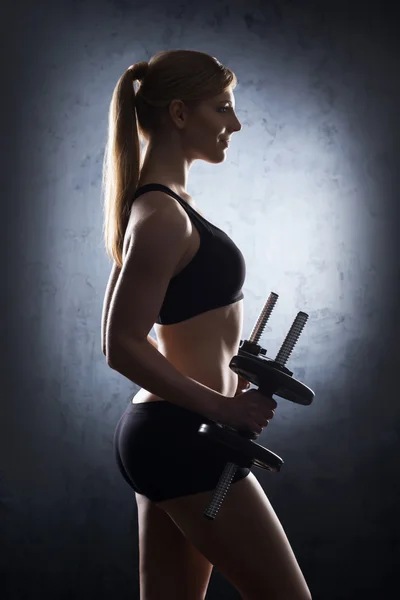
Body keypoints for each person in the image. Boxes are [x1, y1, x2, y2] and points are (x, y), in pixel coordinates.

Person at [101, 49, 311, 600]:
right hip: (183, 438)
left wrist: (228, 372)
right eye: (222, 109)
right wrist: (219, 405)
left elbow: (148, 333)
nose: (235, 124)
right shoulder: (161, 216)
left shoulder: (157, 208)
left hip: (169, 434)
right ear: (178, 114)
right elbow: (119, 345)